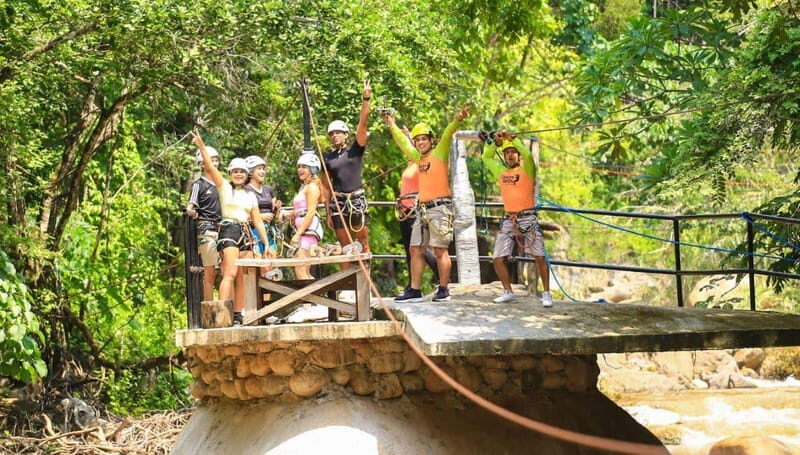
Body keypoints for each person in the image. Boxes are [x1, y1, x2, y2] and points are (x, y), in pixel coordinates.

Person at [385, 106, 469, 302]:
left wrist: (457, 119)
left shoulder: (439, 153)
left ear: (431, 140)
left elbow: (448, 133)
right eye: (417, 140)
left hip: (440, 207)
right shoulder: (418, 159)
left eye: (424, 139)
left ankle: (444, 288)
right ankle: (414, 289)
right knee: (415, 248)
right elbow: (404, 144)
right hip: (422, 209)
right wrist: (392, 125)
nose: (420, 142)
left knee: (440, 250)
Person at [193, 133, 269, 326]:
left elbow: (258, 221)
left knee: (244, 275)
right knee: (230, 273)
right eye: (235, 171)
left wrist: (266, 243)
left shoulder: (250, 196)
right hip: (229, 230)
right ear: (230, 174)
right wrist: (202, 147)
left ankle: (237, 313)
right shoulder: (224, 188)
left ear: (246, 175)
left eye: (241, 172)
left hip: (245, 232)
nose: (238, 174)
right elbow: (210, 167)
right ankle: (221, 311)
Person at [479, 131, 552, 307]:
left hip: (527, 218)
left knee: (539, 257)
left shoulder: (527, 169)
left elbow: (527, 154)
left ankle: (547, 293)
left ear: (518, 155)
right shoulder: (501, 171)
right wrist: (495, 143)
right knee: (497, 258)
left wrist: (513, 140)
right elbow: (486, 158)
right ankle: (508, 291)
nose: (510, 155)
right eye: (507, 152)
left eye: (513, 152)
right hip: (509, 220)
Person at [321, 80, 372, 262]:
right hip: (338, 203)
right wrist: (327, 211)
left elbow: (363, 125)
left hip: (356, 200)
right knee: (346, 247)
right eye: (332, 133)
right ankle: (349, 287)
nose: (335, 136)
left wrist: (366, 99)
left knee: (362, 243)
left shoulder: (355, 150)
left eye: (338, 132)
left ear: (345, 134)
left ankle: (365, 284)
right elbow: (326, 186)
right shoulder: (327, 158)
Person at [185, 146, 222, 302]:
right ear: (202, 163)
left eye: (215, 160)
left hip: (223, 228)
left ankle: (225, 305)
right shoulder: (199, 184)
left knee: (226, 271)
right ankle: (209, 306)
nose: (213, 163)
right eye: (210, 160)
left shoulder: (221, 184)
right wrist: (191, 211)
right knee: (210, 271)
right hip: (207, 228)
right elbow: (191, 204)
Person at [282, 153, 324, 280]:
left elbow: (310, 212)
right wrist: (288, 214)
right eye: (299, 166)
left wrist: (298, 234)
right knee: (302, 270)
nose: (300, 169)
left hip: (308, 231)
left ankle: (312, 298)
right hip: (303, 229)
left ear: (312, 169)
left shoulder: (312, 187)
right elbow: (301, 210)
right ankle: (313, 297)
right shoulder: (304, 187)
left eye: (304, 167)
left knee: (301, 269)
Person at [244, 155, 282, 270]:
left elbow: (274, 214)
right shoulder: (246, 190)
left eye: (263, 169)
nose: (262, 172)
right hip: (254, 232)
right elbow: (242, 214)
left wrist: (277, 209)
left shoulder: (268, 189)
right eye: (258, 169)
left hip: (269, 231)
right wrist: (260, 217)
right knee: (260, 268)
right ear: (251, 172)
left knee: (272, 266)